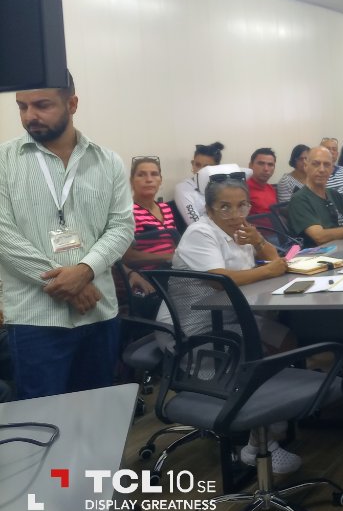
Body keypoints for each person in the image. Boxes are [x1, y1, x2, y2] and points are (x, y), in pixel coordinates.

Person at [0, 74, 134, 399]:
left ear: (72, 104)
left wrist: (85, 271)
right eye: (22, 106)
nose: (30, 115)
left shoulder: (107, 161)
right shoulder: (4, 160)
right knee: (42, 423)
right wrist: (68, 284)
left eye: (42, 105)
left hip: (98, 313)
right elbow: (3, 235)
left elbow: (121, 227)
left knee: (95, 414)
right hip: (36, 318)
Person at [154, 176, 300, 472]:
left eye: (241, 205)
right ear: (208, 209)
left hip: (234, 317)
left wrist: (259, 241)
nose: (235, 214)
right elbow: (221, 281)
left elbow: (276, 261)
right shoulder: (200, 233)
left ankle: (271, 420)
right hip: (193, 327)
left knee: (287, 342)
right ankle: (257, 445)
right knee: (255, 362)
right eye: (225, 207)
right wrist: (270, 269)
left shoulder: (241, 230)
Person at [122, 156, 176, 286]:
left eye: (154, 174)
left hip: (172, 274)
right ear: (132, 181)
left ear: (160, 180)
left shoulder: (166, 208)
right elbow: (125, 256)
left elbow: (173, 243)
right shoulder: (126, 212)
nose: (149, 179)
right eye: (141, 175)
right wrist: (167, 257)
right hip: (145, 279)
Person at [173, 141, 224, 225]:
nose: (200, 170)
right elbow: (195, 223)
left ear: (216, 168)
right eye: (197, 164)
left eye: (206, 167)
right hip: (203, 234)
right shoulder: (183, 188)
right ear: (192, 164)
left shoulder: (223, 186)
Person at [246, 147, 277, 215]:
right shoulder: (243, 190)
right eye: (261, 163)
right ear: (250, 165)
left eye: (270, 165)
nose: (266, 169)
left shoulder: (270, 188)